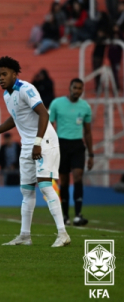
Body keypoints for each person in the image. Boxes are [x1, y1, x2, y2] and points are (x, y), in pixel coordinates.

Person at [0, 56, 71, 247]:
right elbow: (15, 119)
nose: (0, 78)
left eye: (4, 74)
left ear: (14, 73)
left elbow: (44, 113)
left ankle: (63, 234)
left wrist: (37, 142)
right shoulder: (7, 95)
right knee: (26, 190)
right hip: (29, 143)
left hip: (43, 139)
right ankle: (25, 236)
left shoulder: (26, 89)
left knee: (45, 185)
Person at [49, 78, 93, 226]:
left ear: (82, 90)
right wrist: (48, 147)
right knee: (64, 180)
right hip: (61, 144)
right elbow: (49, 126)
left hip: (77, 145)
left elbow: (87, 132)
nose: (77, 91)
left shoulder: (85, 107)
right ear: (70, 87)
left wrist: (91, 154)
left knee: (78, 176)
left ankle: (78, 215)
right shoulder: (57, 104)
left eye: (80, 89)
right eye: (75, 88)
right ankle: (65, 215)